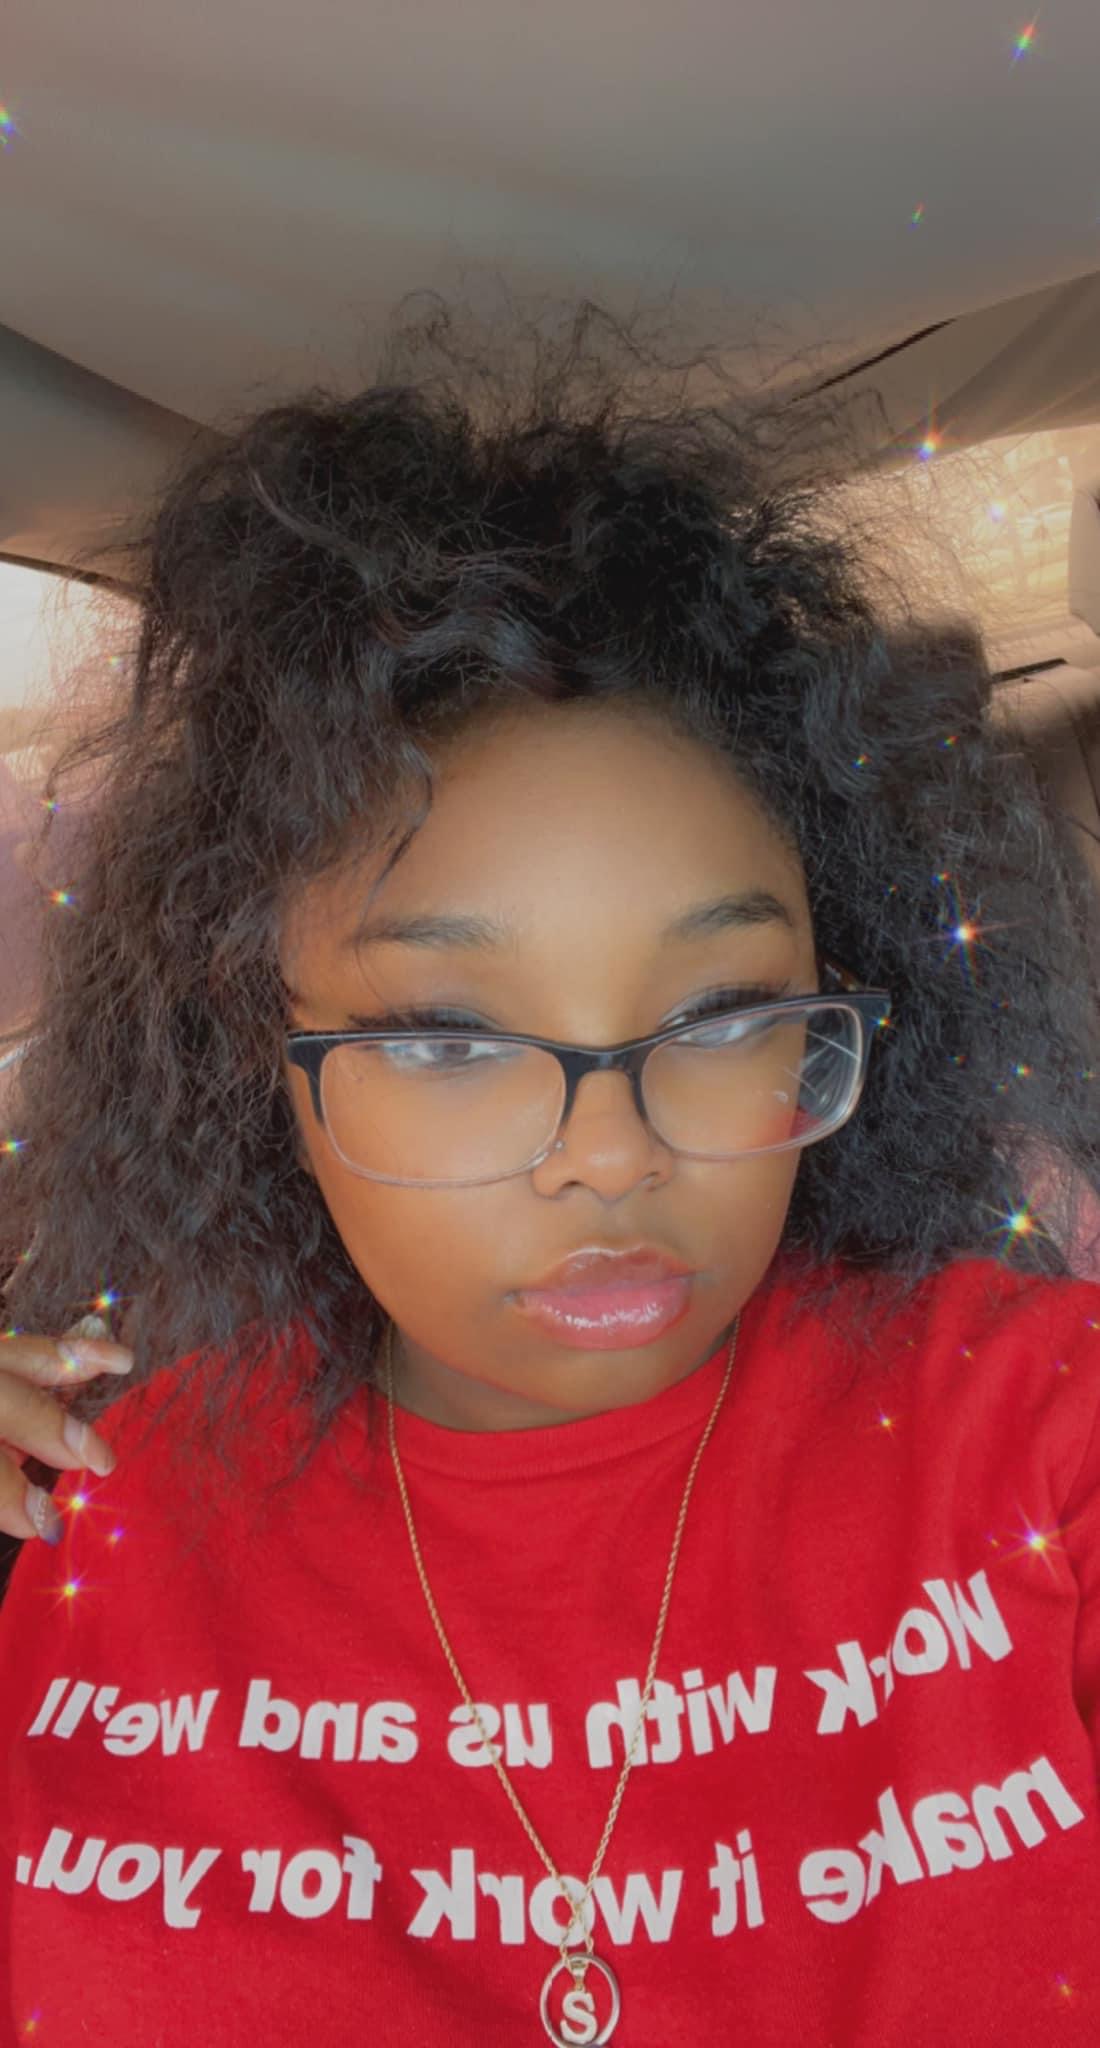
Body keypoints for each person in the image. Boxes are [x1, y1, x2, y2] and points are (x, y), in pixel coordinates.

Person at [1, 290, 1099, 2047]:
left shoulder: (1032, 1435)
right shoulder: (75, 1514)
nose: (612, 1155)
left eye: (724, 1013)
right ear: (255, 1058)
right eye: (447, 1038)